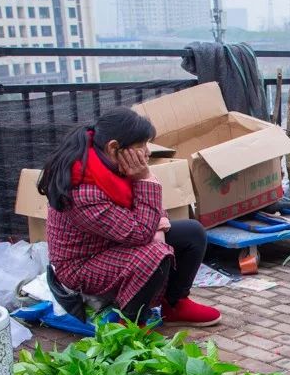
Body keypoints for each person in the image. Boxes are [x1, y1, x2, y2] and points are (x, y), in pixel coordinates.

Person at [38, 107, 221, 326]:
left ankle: (175, 304)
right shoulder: (83, 188)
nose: (147, 153)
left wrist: (159, 226)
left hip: (112, 242)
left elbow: (146, 214)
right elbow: (140, 233)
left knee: (193, 233)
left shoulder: (110, 165)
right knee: (154, 256)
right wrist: (146, 178)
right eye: (141, 146)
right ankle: (131, 324)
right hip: (83, 265)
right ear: (114, 147)